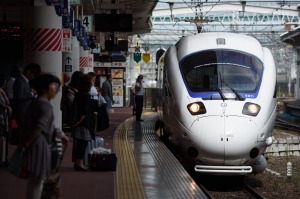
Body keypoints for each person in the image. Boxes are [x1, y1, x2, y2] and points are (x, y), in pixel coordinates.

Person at [19, 74, 69, 199]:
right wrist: (28, 142)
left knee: (33, 180)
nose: (57, 89)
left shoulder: (35, 102)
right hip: (40, 144)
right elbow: (41, 126)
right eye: (55, 86)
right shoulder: (46, 105)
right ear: (46, 87)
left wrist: (25, 143)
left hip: (33, 143)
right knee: (38, 180)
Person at [72, 74, 95, 171]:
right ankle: (80, 164)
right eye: (92, 82)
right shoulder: (87, 96)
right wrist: (78, 122)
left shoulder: (78, 94)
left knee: (79, 143)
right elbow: (84, 112)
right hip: (84, 123)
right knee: (83, 143)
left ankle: (78, 163)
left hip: (78, 122)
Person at [13, 63, 41, 131]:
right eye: (34, 74)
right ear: (28, 72)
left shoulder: (25, 81)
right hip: (22, 113)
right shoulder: (19, 81)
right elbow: (19, 97)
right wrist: (31, 94)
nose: (34, 77)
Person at [0, 75, 12, 166]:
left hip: (4, 117)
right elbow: (4, 104)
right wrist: (6, 107)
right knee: (2, 136)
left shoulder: (2, 91)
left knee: (4, 137)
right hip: (1, 117)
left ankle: (4, 157)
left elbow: (7, 102)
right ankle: (2, 158)